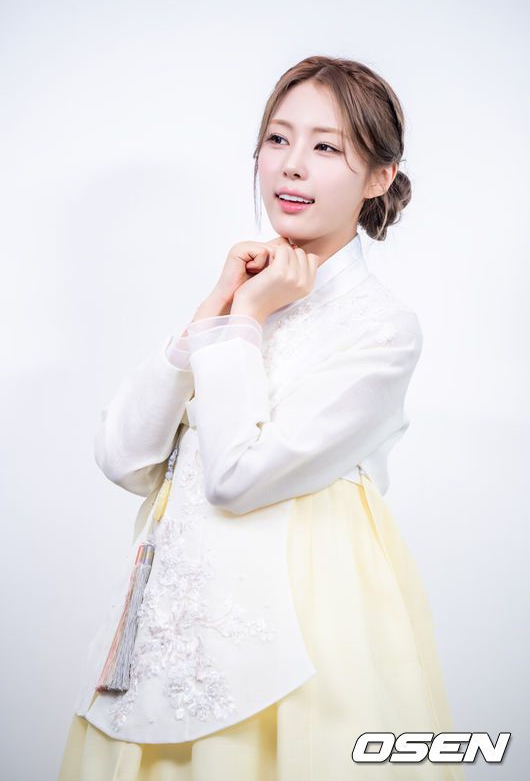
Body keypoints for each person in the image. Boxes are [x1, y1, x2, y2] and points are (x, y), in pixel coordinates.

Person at [57, 55, 463, 780]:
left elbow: (238, 479)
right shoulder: (243, 297)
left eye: (327, 146)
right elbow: (123, 458)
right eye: (278, 138)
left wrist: (242, 317)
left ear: (380, 177)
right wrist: (211, 311)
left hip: (300, 635)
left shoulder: (381, 328)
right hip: (166, 636)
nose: (292, 165)